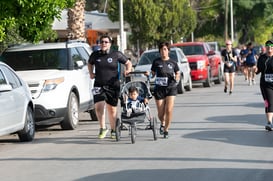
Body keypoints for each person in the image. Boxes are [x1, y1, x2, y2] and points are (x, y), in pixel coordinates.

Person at [88, 34, 132, 139]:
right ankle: (103, 128)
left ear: (110, 44)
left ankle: (113, 129)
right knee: (98, 107)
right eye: (101, 42)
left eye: (106, 42)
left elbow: (128, 62)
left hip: (113, 85)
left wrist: (128, 70)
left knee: (112, 109)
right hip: (99, 84)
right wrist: (91, 73)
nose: (103, 44)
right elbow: (90, 63)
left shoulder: (116, 54)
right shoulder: (95, 55)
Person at [150, 42, 180, 138]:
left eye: (165, 49)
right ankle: (162, 122)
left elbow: (178, 72)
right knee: (160, 113)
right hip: (159, 89)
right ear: (159, 51)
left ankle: (166, 129)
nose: (163, 52)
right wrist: (149, 75)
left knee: (169, 110)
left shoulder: (173, 63)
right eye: (161, 50)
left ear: (168, 51)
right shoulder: (156, 62)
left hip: (171, 88)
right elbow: (152, 74)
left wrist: (177, 78)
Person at [256, 40, 273, 131]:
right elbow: (258, 71)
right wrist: (255, 69)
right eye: (268, 47)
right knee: (269, 102)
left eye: (271, 46)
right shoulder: (262, 58)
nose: (269, 48)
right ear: (265, 48)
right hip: (266, 84)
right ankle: (269, 122)